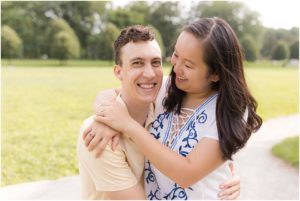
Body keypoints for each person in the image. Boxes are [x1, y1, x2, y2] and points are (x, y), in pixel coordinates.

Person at [90, 18, 262, 200]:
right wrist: (104, 120)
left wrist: (128, 125)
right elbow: (114, 93)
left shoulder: (230, 111)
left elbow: (187, 174)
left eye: (188, 65)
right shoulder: (166, 88)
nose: (176, 67)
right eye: (176, 55)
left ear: (215, 73)